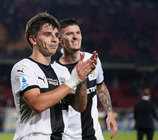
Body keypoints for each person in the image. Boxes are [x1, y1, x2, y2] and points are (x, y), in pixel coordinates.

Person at [10, 12, 98, 140]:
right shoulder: (24, 67)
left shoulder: (60, 71)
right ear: (33, 39)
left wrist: (81, 79)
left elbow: (80, 106)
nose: (54, 39)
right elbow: (37, 104)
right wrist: (73, 80)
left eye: (57, 35)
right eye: (47, 35)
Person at [52, 18, 117, 140]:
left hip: (95, 136)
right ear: (60, 40)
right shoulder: (54, 71)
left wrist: (110, 112)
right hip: (68, 137)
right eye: (69, 33)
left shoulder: (92, 60)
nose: (75, 37)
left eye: (78, 32)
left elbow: (100, 86)